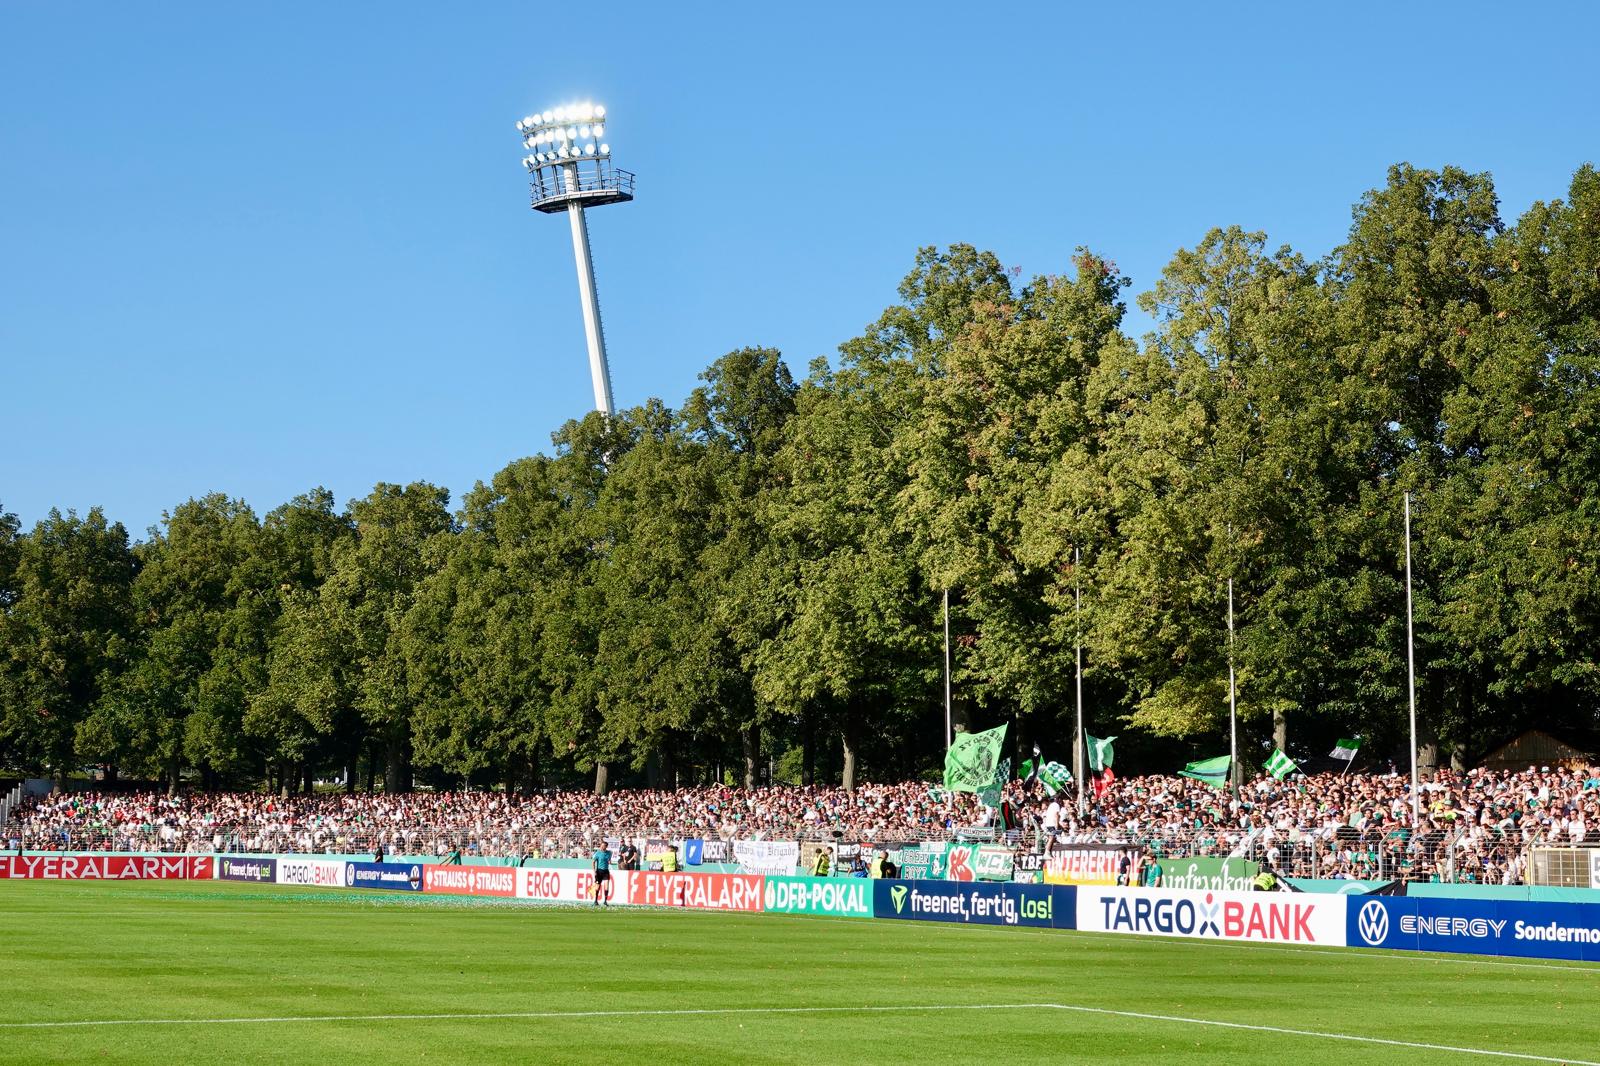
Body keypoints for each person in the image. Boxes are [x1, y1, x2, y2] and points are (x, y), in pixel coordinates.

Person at [592, 842, 612, 906]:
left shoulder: (609, 853)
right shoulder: (598, 853)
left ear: (606, 846)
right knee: (597, 887)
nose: (601, 847)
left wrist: (609, 862)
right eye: (601, 845)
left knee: (607, 886)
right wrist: (594, 871)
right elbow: (593, 862)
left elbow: (609, 860)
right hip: (599, 871)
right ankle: (596, 900)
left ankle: (605, 901)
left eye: (603, 846)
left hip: (606, 871)